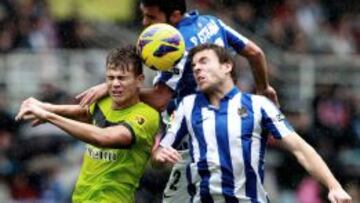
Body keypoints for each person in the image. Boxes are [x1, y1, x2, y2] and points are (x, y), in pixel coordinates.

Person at [76, 0, 277, 202]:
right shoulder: (211, 23)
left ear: (174, 15)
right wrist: (264, 88)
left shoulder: (176, 44)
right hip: (219, 132)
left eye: (152, 17)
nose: (145, 22)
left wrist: (113, 88)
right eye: (143, 15)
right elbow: (255, 52)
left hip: (193, 141)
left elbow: (159, 98)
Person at [153, 44, 352, 203]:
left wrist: (334, 187)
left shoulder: (259, 105)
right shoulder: (187, 106)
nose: (197, 68)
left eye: (204, 61)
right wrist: (158, 156)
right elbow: (160, 154)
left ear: (226, 66)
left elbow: (300, 148)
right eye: (194, 65)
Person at [15, 46, 160, 203]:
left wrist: (49, 116)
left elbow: (104, 137)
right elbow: (84, 112)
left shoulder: (147, 116)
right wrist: (48, 107)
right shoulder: (104, 103)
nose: (115, 84)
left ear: (139, 80)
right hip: (81, 198)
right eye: (110, 78)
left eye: (122, 78)